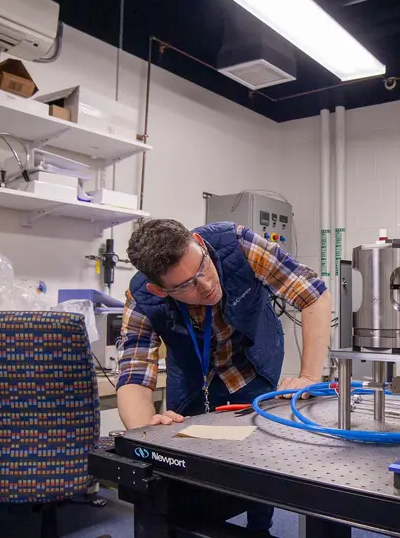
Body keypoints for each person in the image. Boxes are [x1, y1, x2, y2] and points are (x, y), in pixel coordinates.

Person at [117, 218, 332, 534]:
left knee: (260, 456)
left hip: (252, 365)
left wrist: (309, 376)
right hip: (192, 379)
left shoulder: (239, 245)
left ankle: (260, 528)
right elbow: (134, 373)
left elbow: (313, 294)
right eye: (186, 285)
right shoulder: (141, 298)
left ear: (200, 245)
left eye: (202, 268)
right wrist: (146, 430)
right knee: (187, 464)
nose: (205, 286)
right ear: (159, 290)